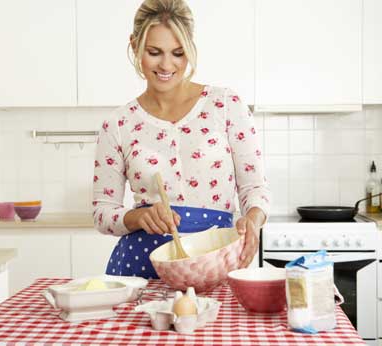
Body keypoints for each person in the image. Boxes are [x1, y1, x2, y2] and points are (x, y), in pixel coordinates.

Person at [93, 0, 270, 279]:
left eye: (178, 53)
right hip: (140, 270)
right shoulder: (118, 123)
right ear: (135, 45)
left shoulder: (226, 105)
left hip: (215, 264)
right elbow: (103, 212)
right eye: (154, 52)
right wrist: (138, 217)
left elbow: (254, 188)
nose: (166, 65)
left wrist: (253, 220)